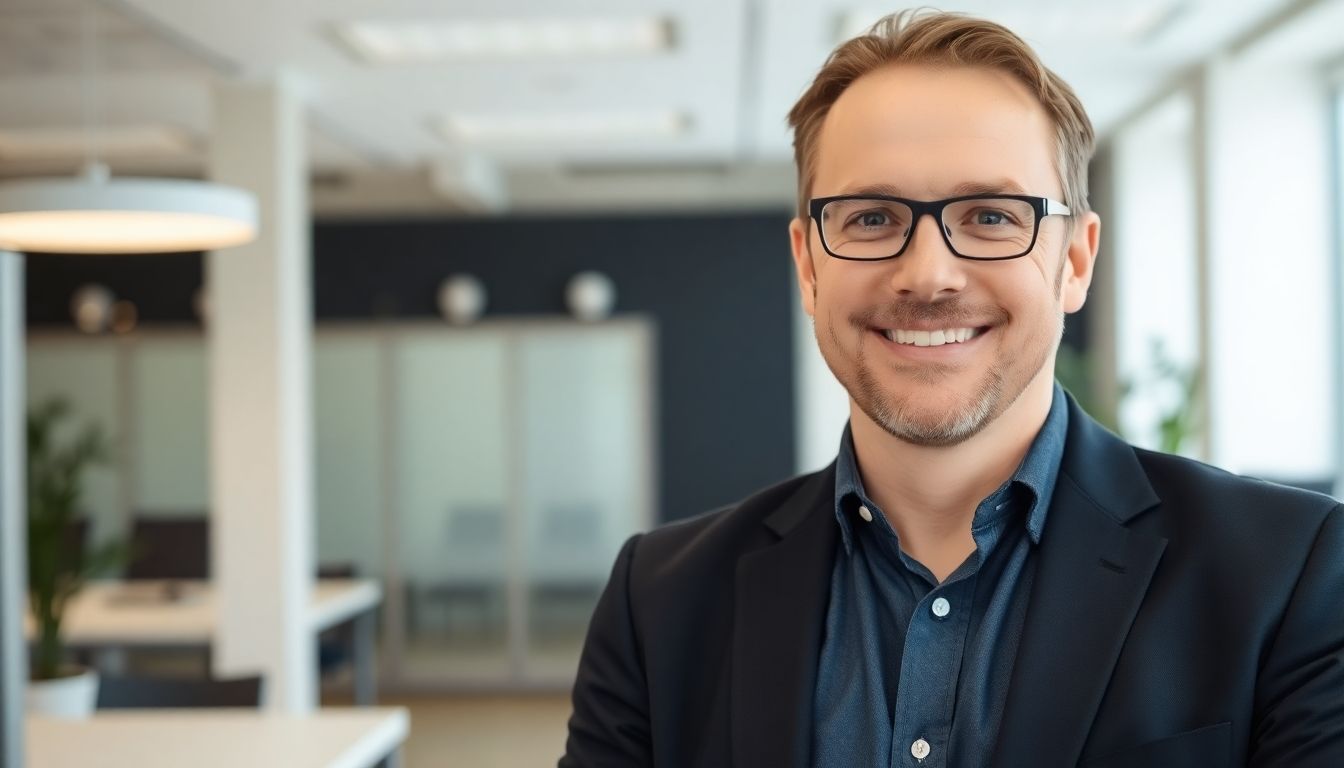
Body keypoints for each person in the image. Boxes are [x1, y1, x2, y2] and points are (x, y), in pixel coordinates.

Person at [560, 10, 1344, 768]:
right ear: (807, 264)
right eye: (870, 218)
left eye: (992, 216)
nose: (928, 275)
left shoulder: (1290, 577)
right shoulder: (659, 602)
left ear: (1075, 261)